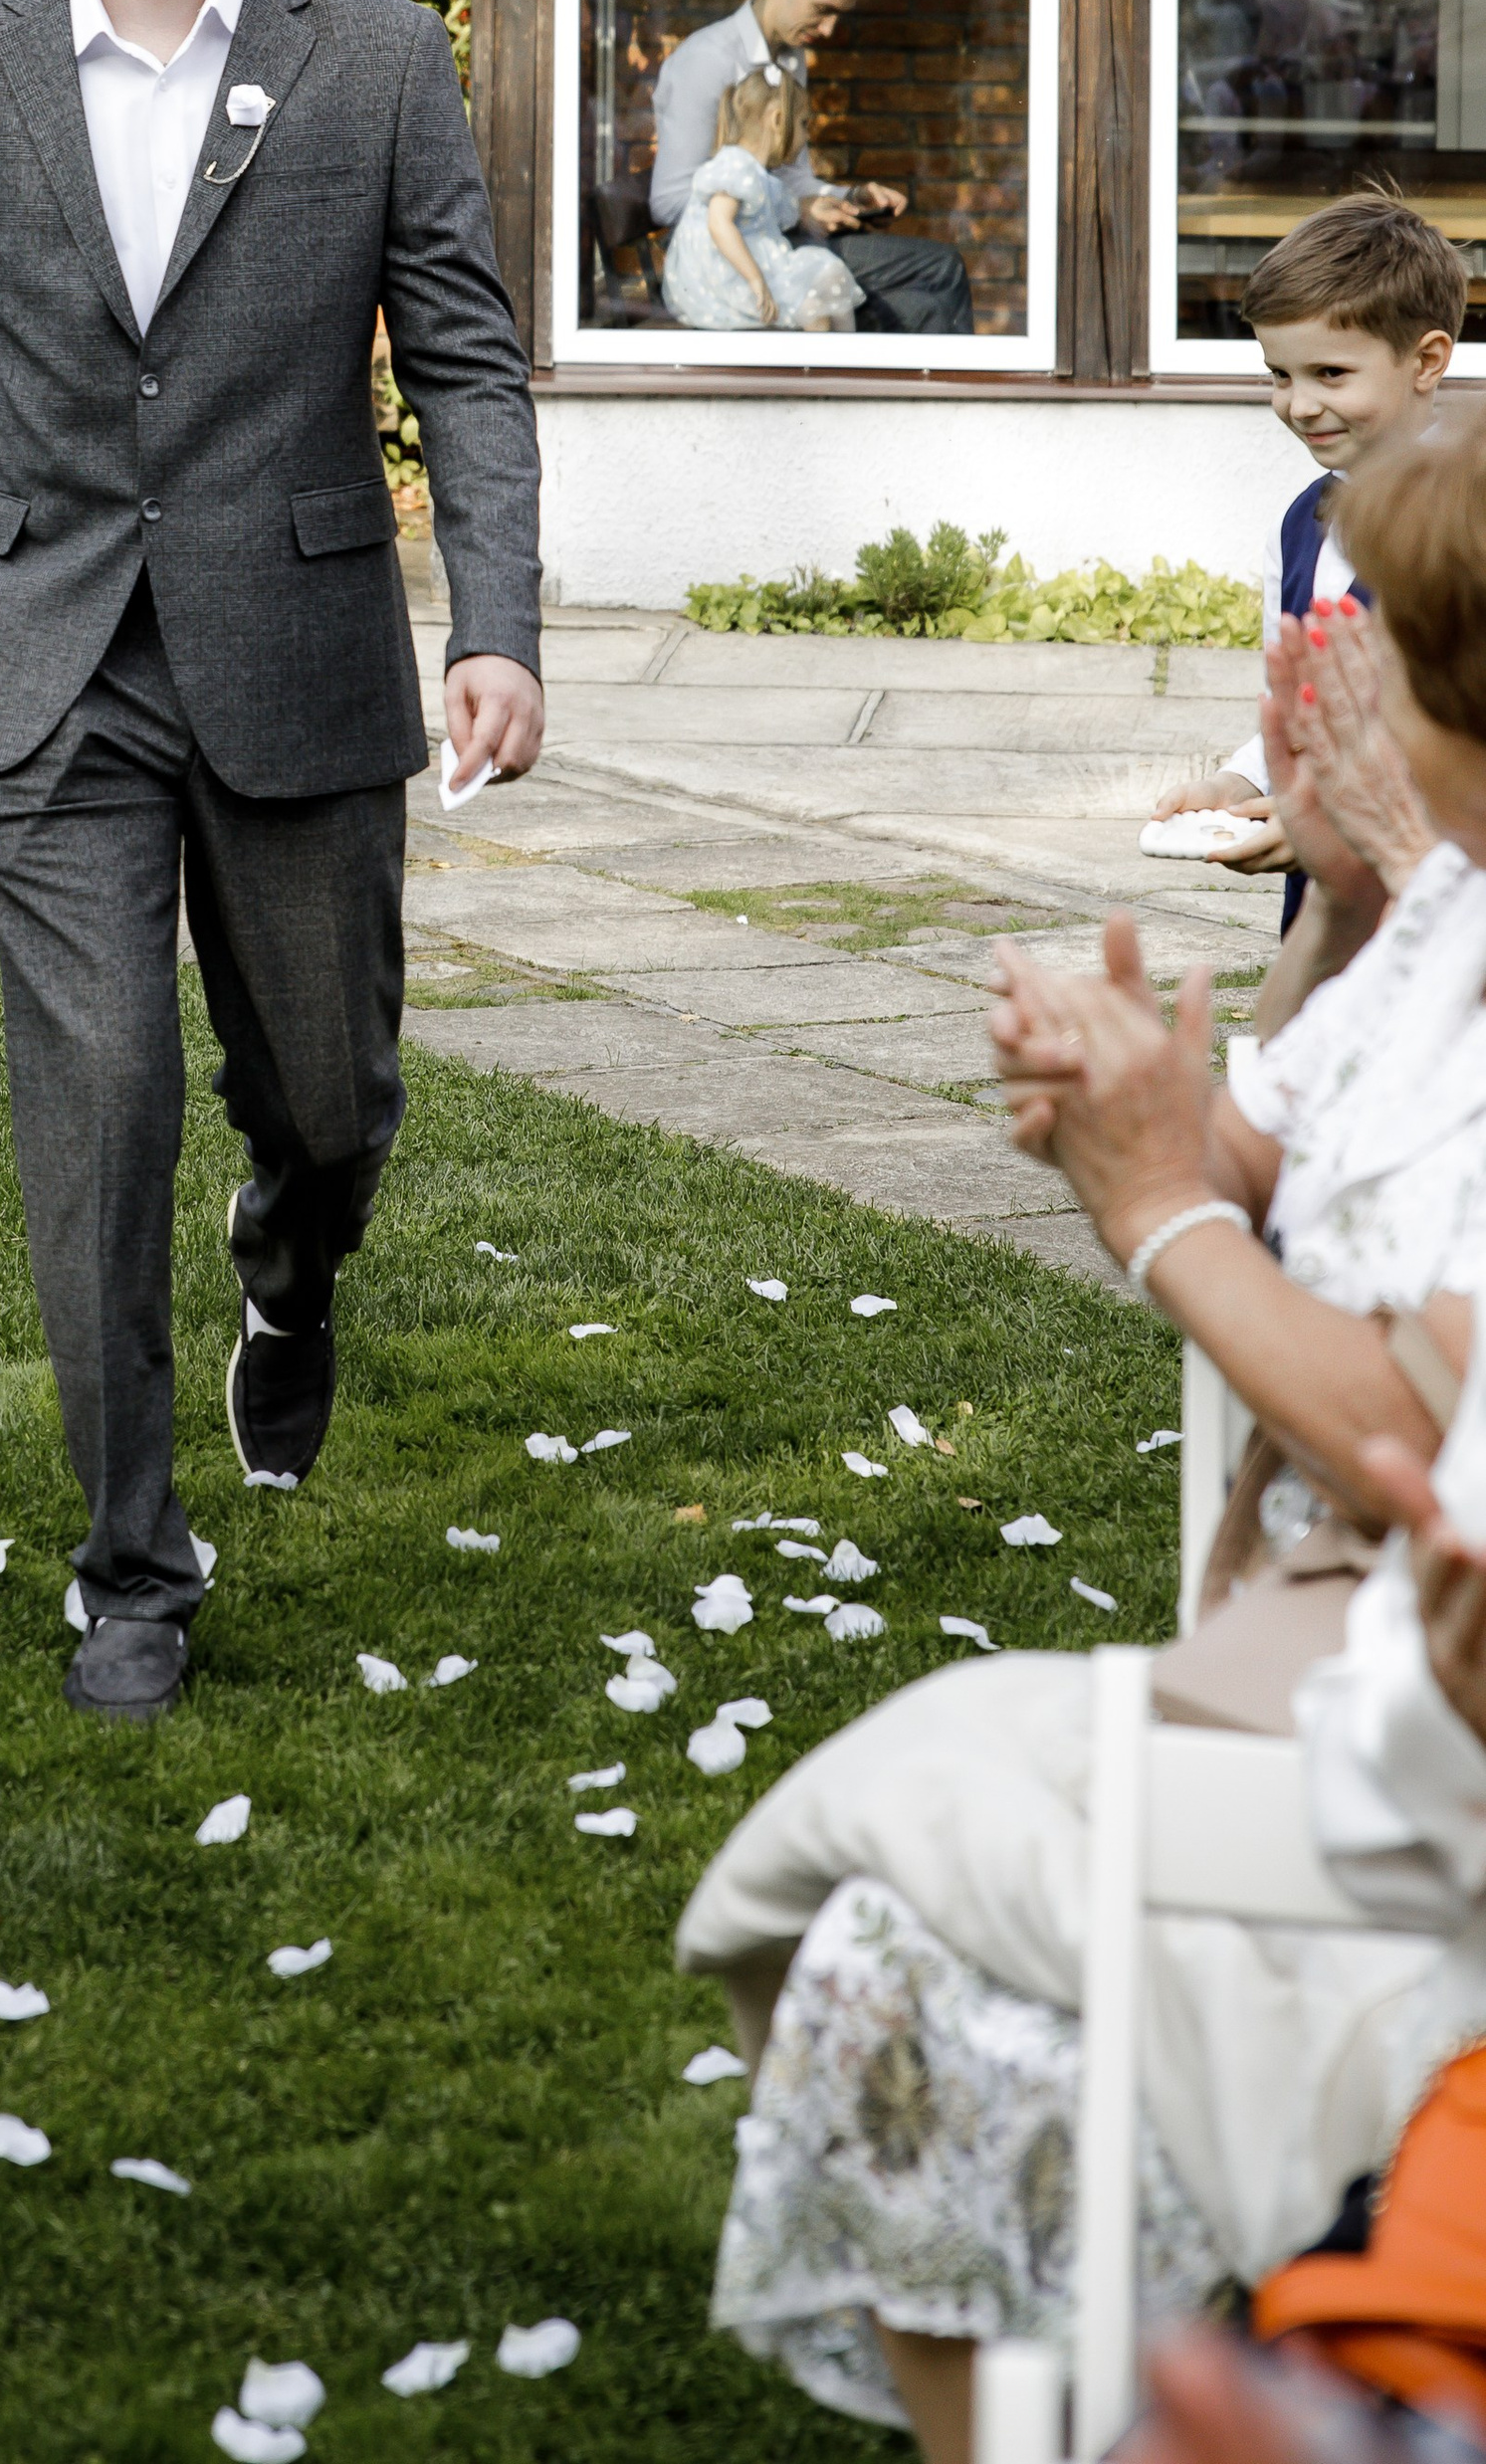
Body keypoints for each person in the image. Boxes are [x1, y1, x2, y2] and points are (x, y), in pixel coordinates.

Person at [675, 406, 1486, 2464]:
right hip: (1311, 1637)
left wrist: (1152, 1216)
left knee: (882, 1913)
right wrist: (1128, 1096)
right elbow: (1252, 1162)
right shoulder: (1446, 916)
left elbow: (1408, 1412)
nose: (1327, 656)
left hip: (1408, 1698)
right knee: (886, 1905)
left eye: (1368, 624)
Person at [0, 0, 545, 1727]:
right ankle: (127, 1570)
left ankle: (290, 1257)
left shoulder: (378, 59)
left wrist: (496, 624)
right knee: (99, 1109)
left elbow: (463, 359)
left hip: (300, 652)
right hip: (43, 668)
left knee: (326, 1096)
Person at [1153, 194, 1465, 922]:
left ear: (1426, 360)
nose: (1299, 406)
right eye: (1280, 375)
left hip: (1442, 907)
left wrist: (1331, 820)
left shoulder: (1463, 520)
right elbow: (1300, 710)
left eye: (1330, 374)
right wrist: (1237, 783)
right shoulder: (1298, 527)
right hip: (1327, 912)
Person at [645, 0, 974, 335]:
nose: (829, 29)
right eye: (823, 10)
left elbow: (795, 178)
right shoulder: (707, 60)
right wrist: (792, 212)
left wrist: (850, 196)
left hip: (778, 240)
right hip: (731, 270)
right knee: (940, 272)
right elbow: (670, 202)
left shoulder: (789, 58)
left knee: (927, 304)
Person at [660, 65, 864, 335]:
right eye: (804, 124)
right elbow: (719, 224)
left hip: (753, 268)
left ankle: (842, 362)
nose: (807, 136)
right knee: (814, 306)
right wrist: (756, 281)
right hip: (727, 280)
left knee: (830, 274)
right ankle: (822, 369)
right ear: (778, 121)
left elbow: (783, 216)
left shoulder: (759, 175)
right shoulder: (735, 166)